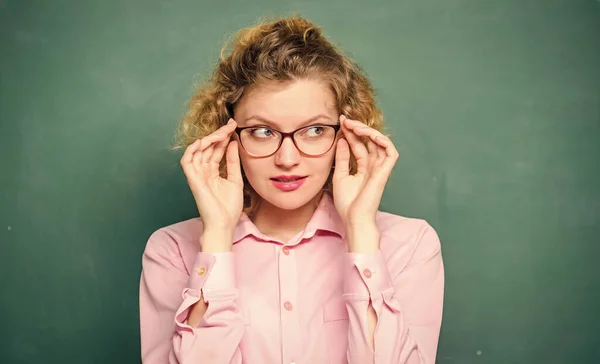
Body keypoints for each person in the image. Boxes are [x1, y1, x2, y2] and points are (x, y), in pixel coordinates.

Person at [139, 16, 444, 364]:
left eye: (314, 130)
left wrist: (360, 233)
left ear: (344, 134)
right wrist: (217, 242)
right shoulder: (173, 251)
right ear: (227, 136)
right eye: (262, 131)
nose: (287, 159)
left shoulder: (410, 246)